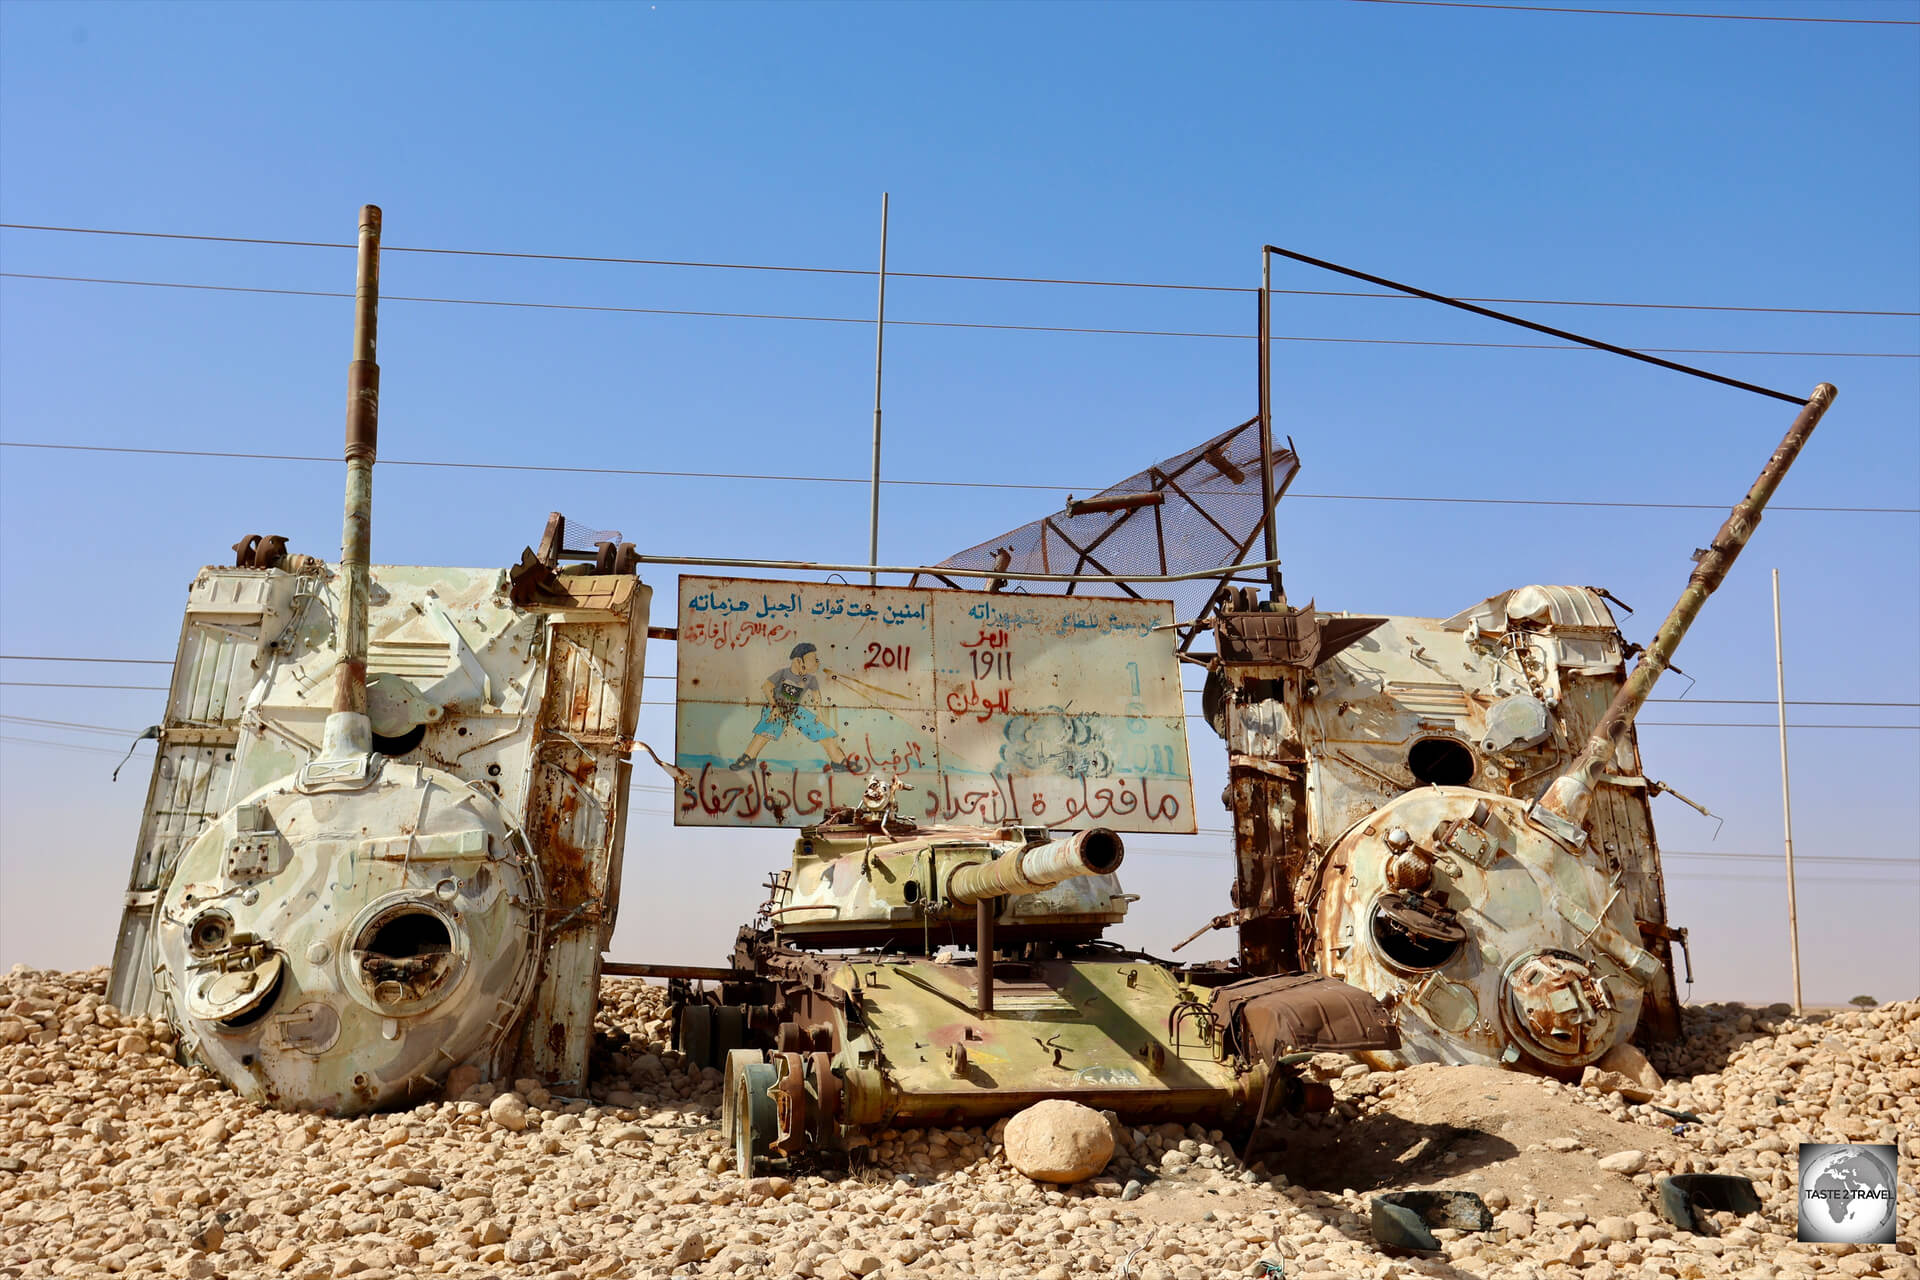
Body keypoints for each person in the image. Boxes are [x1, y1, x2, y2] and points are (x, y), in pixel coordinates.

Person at [731, 642, 853, 771]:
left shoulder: (810, 679)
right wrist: (774, 707)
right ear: (798, 660)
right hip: (777, 707)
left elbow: (816, 697)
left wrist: (820, 715)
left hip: (794, 709)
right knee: (764, 731)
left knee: (821, 730)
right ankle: (749, 758)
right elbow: (766, 687)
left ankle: (839, 761)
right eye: (812, 659)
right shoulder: (783, 673)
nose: (816, 662)